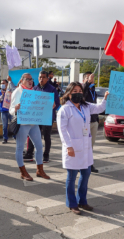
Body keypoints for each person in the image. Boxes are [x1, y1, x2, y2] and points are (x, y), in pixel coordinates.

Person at [58, 82, 108, 215]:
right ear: (69, 94)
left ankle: (82, 201)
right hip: (72, 147)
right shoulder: (65, 109)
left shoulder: (86, 106)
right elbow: (62, 130)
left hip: (85, 147)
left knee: (86, 174)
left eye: (80, 90)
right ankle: (72, 203)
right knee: (72, 176)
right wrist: (68, 146)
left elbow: (99, 108)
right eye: (75, 91)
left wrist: (105, 99)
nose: (78, 93)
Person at [10, 73, 51, 181]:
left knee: (39, 146)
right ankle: (23, 172)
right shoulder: (17, 92)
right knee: (20, 147)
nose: (30, 81)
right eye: (27, 79)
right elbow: (11, 110)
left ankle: (40, 170)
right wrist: (16, 109)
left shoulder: (34, 91)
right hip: (23, 123)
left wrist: (49, 105)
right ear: (22, 80)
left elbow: (39, 106)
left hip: (34, 123)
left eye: (31, 79)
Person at [24, 71, 60, 163]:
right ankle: (29, 153)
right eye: (40, 77)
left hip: (47, 117)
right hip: (36, 116)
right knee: (33, 134)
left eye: (43, 77)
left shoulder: (52, 89)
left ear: (47, 78)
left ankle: (46, 155)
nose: (41, 79)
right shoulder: (35, 89)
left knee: (46, 136)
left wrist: (54, 105)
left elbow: (57, 103)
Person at [82, 72, 100, 172]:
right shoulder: (82, 90)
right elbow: (83, 93)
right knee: (84, 144)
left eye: (92, 78)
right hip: (85, 122)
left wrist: (97, 118)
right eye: (89, 78)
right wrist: (87, 83)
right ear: (85, 79)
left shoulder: (93, 91)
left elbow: (95, 105)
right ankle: (82, 164)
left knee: (91, 145)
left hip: (94, 121)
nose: (92, 79)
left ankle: (89, 164)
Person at [0, 78, 14, 144]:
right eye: (1, 83)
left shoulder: (10, 91)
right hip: (3, 111)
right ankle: (5, 138)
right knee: (4, 126)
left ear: (7, 84)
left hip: (11, 110)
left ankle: (15, 136)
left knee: (14, 124)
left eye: (3, 83)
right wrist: (2, 96)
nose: (2, 84)